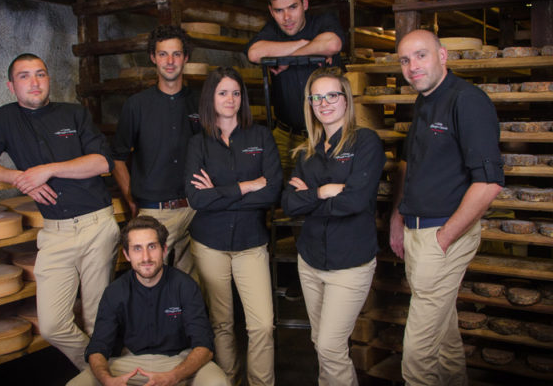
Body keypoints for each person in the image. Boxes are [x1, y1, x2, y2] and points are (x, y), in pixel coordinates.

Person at [0, 53, 120, 370]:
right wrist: (19, 179)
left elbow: (102, 163)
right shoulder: (3, 118)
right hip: (54, 232)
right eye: (24, 76)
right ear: (12, 86)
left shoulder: (75, 113)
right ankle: (104, 373)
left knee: (97, 319)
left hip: (96, 225)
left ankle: (103, 376)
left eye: (40, 74)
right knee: (52, 326)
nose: (34, 82)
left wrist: (46, 171)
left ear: (49, 79)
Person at [389, 29, 504, 386]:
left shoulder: (467, 101)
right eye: (405, 60)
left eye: (421, 55)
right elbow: (410, 163)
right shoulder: (424, 99)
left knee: (418, 355)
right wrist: (397, 216)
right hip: (416, 230)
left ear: (443, 56)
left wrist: (443, 239)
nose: (412, 66)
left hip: (443, 236)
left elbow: (489, 183)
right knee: (445, 336)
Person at [281, 67, 384, 386]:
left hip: (349, 264)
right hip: (310, 260)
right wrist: (324, 192)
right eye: (316, 97)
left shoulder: (365, 142)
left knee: (329, 345)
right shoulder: (307, 152)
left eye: (332, 95)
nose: (324, 103)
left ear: (346, 100)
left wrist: (308, 198)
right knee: (320, 344)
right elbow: (288, 204)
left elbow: (354, 202)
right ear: (309, 104)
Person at [184, 67, 282, 386]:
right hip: (209, 244)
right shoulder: (198, 144)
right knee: (222, 323)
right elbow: (196, 199)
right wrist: (244, 187)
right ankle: (229, 380)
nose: (230, 99)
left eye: (236, 93)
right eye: (223, 92)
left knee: (263, 324)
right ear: (210, 98)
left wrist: (219, 193)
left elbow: (272, 191)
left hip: (251, 243)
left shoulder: (261, 136)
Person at [67, 216, 229, 386]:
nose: (146, 257)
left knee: (217, 382)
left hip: (179, 361)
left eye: (152, 247)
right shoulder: (114, 292)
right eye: (137, 249)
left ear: (164, 249)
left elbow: (204, 346)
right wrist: (107, 380)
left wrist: (173, 376)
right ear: (127, 255)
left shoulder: (185, 286)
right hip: (128, 362)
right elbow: (98, 347)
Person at [112, 25, 200, 276]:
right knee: (149, 278)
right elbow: (117, 157)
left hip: (196, 208)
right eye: (163, 54)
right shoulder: (136, 105)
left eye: (176, 54)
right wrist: (131, 197)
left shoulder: (200, 101)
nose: (170, 61)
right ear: (153, 57)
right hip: (154, 209)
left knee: (196, 285)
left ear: (186, 57)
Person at [246, 0, 345, 176]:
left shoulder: (323, 22)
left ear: (304, 4)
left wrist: (285, 58)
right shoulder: (272, 30)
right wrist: (306, 45)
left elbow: (332, 44)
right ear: (271, 11)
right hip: (285, 133)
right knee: (281, 194)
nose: (287, 17)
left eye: (292, 7)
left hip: (325, 133)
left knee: (323, 193)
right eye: (279, 11)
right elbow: (254, 53)